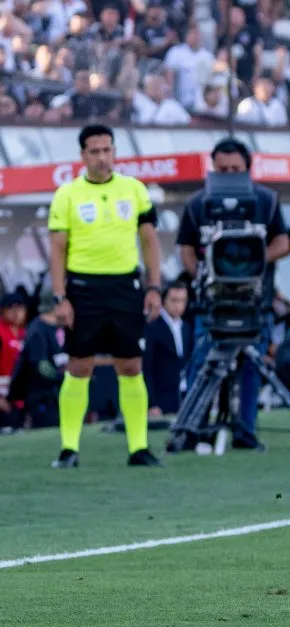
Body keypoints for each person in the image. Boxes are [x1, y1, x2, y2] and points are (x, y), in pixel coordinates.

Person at [49, 124, 164, 468]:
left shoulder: (134, 189)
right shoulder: (67, 194)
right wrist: (60, 296)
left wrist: (154, 287)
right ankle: (69, 449)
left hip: (125, 287)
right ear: (82, 155)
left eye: (107, 150)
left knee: (130, 365)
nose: (102, 157)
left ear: (114, 151)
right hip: (83, 289)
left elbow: (149, 240)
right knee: (79, 365)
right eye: (95, 151)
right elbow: (58, 249)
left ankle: (138, 448)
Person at [177, 137, 290, 450]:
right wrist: (205, 276)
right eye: (222, 168)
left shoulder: (266, 200)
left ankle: (246, 430)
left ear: (248, 168)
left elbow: (283, 241)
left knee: (252, 366)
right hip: (211, 304)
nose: (229, 173)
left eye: (235, 168)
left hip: (256, 301)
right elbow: (186, 248)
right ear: (212, 168)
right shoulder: (198, 203)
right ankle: (193, 429)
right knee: (203, 365)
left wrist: (253, 263)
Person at [8, 290, 67, 429]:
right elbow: (41, 366)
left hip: (59, 394)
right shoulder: (37, 331)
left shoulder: (59, 327)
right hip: (43, 397)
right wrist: (65, 377)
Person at [143, 281, 193, 416]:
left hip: (180, 395)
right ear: (164, 300)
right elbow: (146, 368)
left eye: (182, 300)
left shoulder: (186, 328)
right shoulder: (153, 327)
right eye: (174, 300)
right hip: (160, 398)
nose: (178, 305)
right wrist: (151, 403)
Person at [0, 292, 27, 430]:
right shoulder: (1, 333)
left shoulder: (25, 333)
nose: (17, 313)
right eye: (12, 308)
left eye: (20, 308)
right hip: (3, 396)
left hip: (19, 396)